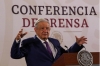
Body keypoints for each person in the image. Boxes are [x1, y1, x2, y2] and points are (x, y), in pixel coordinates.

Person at [11, 18, 87, 66]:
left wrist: (77, 45)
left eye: (47, 28)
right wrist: (17, 40)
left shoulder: (55, 42)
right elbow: (15, 55)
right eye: (42, 28)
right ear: (35, 30)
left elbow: (65, 55)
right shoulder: (29, 43)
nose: (45, 31)